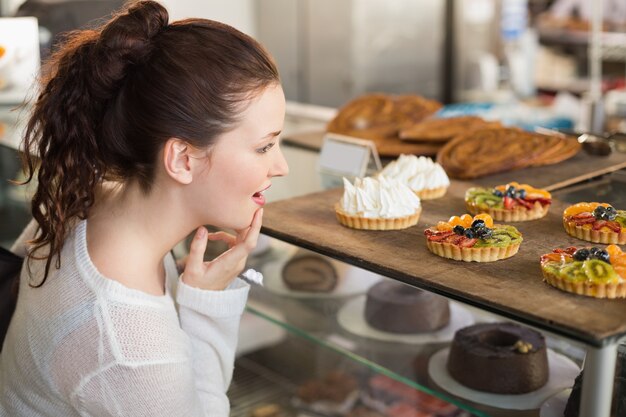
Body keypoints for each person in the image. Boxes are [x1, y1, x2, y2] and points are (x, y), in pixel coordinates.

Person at [0, 1, 288, 416]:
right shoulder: (130, 346)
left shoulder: (88, 199)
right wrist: (207, 303)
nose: (281, 167)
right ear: (182, 160)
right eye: (264, 146)